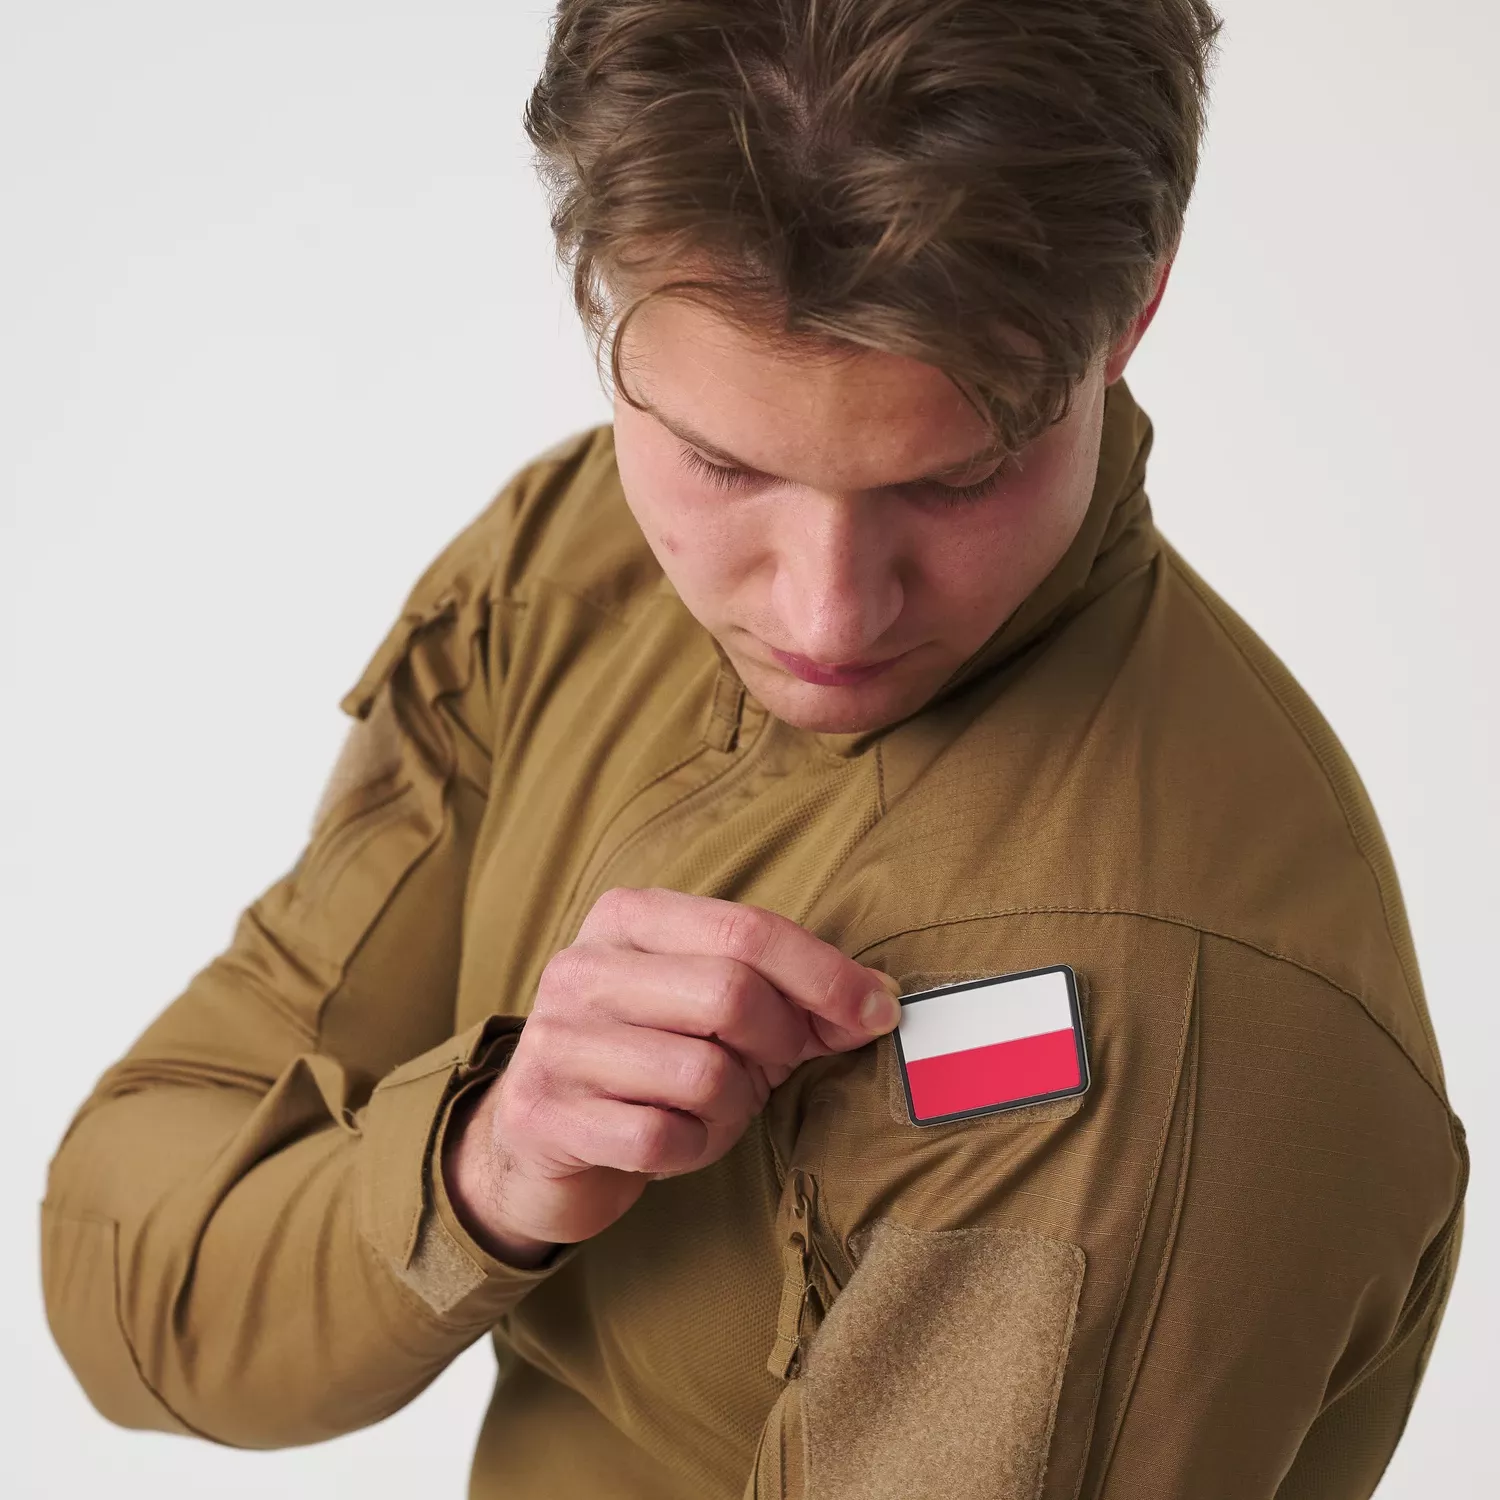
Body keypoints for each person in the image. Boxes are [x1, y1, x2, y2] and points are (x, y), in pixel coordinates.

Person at [40, 3, 1468, 1497]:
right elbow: (132, 1279)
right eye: (724, 464)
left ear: (1135, 308)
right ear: (597, 294)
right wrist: (483, 1169)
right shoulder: (573, 565)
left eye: (958, 477)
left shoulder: (1156, 1009)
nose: (824, 613)